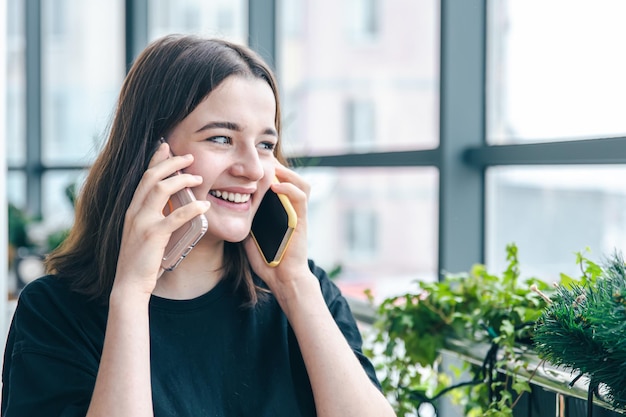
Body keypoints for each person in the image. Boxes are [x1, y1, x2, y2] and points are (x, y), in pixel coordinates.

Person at [1, 34, 396, 417]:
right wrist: (133, 294)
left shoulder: (305, 292)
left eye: (265, 144)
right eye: (222, 139)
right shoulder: (55, 312)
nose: (252, 169)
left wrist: (294, 285)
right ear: (152, 153)